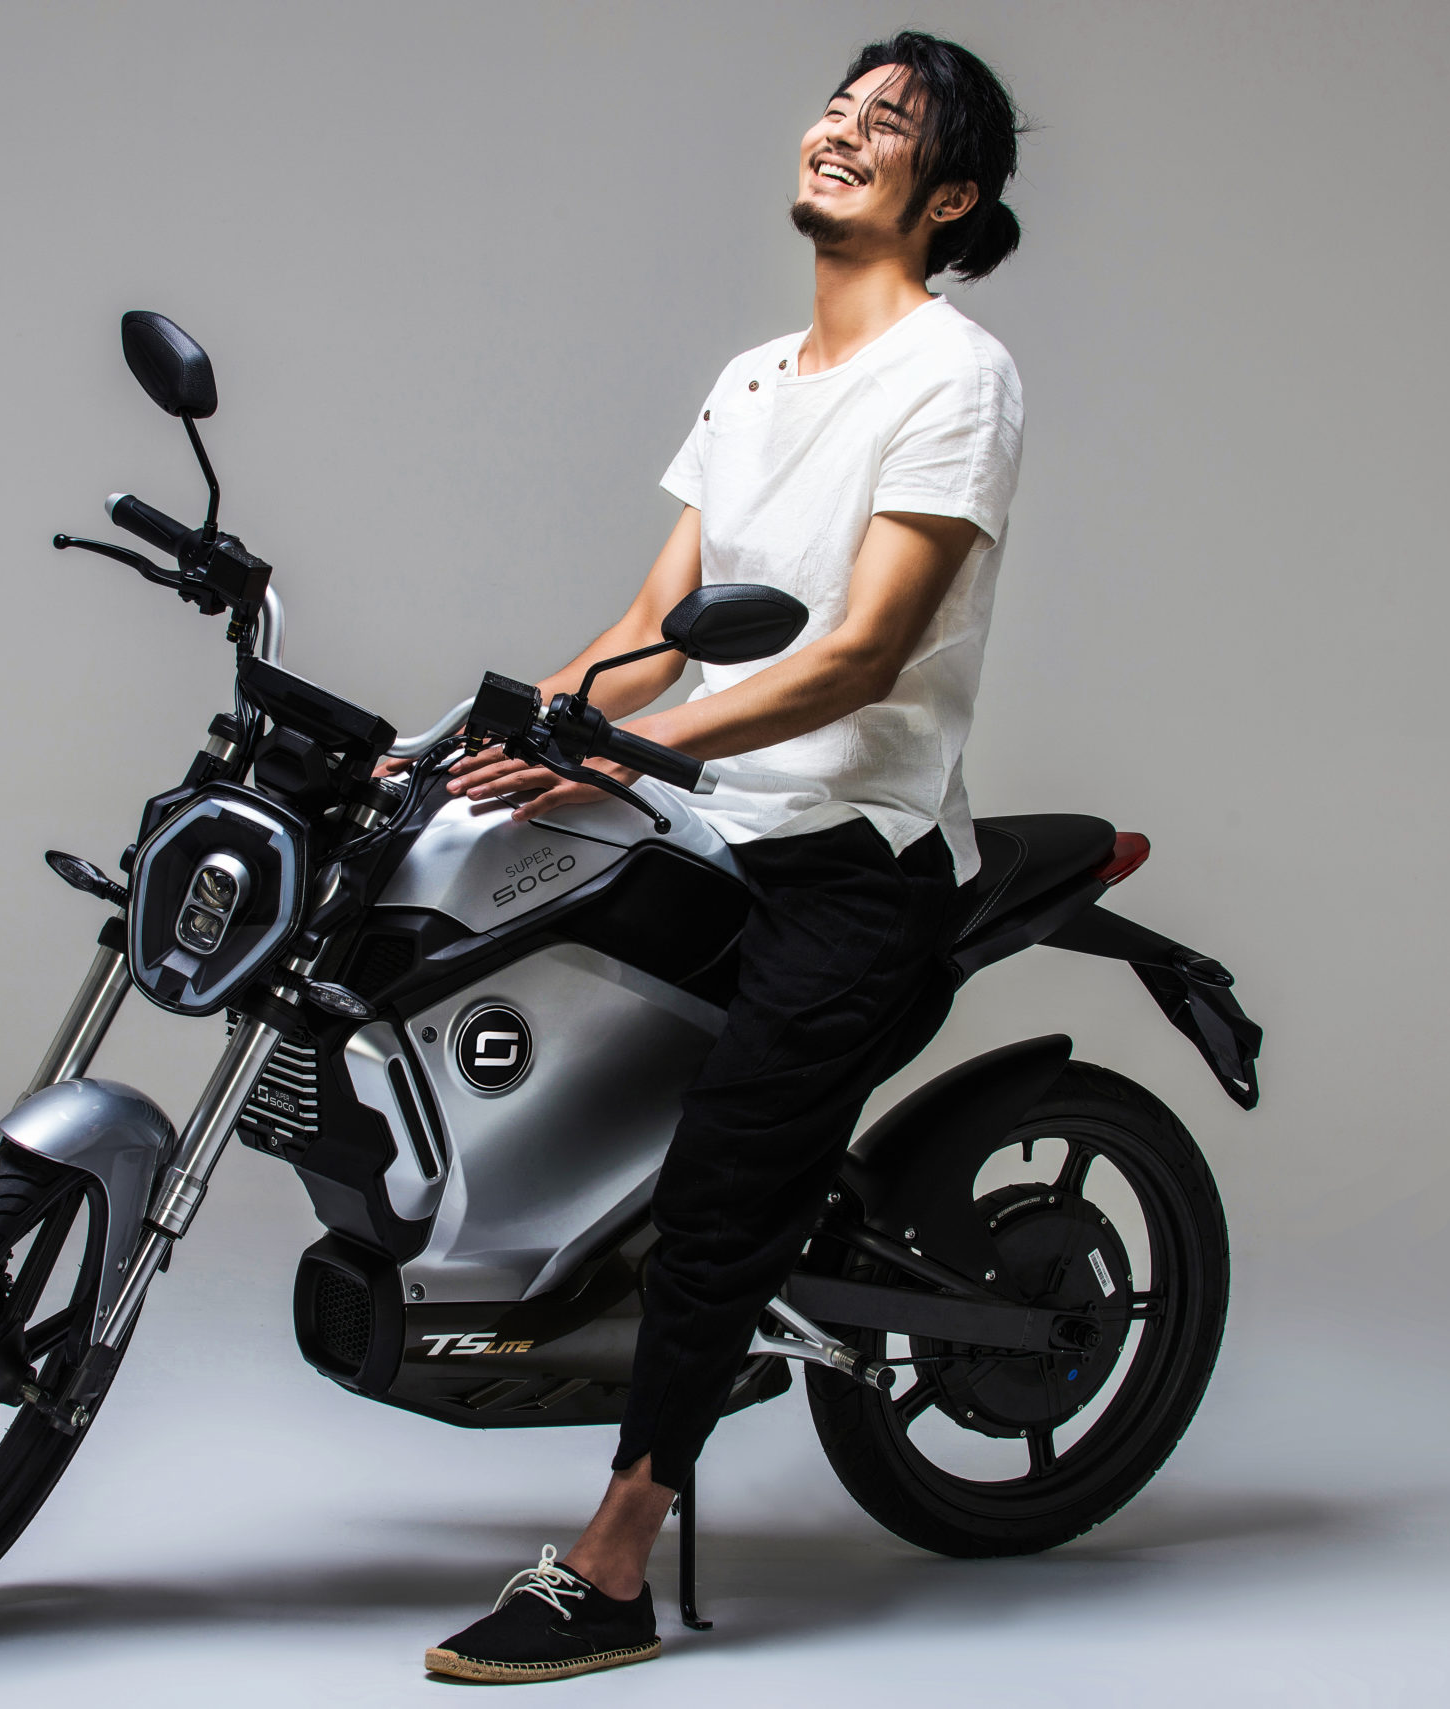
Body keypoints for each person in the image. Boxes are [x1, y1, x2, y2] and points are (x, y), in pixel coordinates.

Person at [418, 30, 1030, 1685]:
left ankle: (612, 1565)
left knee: (720, 1189)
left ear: (949, 196)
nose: (845, 126)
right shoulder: (755, 377)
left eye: (891, 122)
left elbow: (861, 654)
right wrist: (479, 741)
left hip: (856, 859)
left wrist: (630, 747)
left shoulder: (956, 376)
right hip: (712, 830)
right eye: (843, 102)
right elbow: (647, 630)